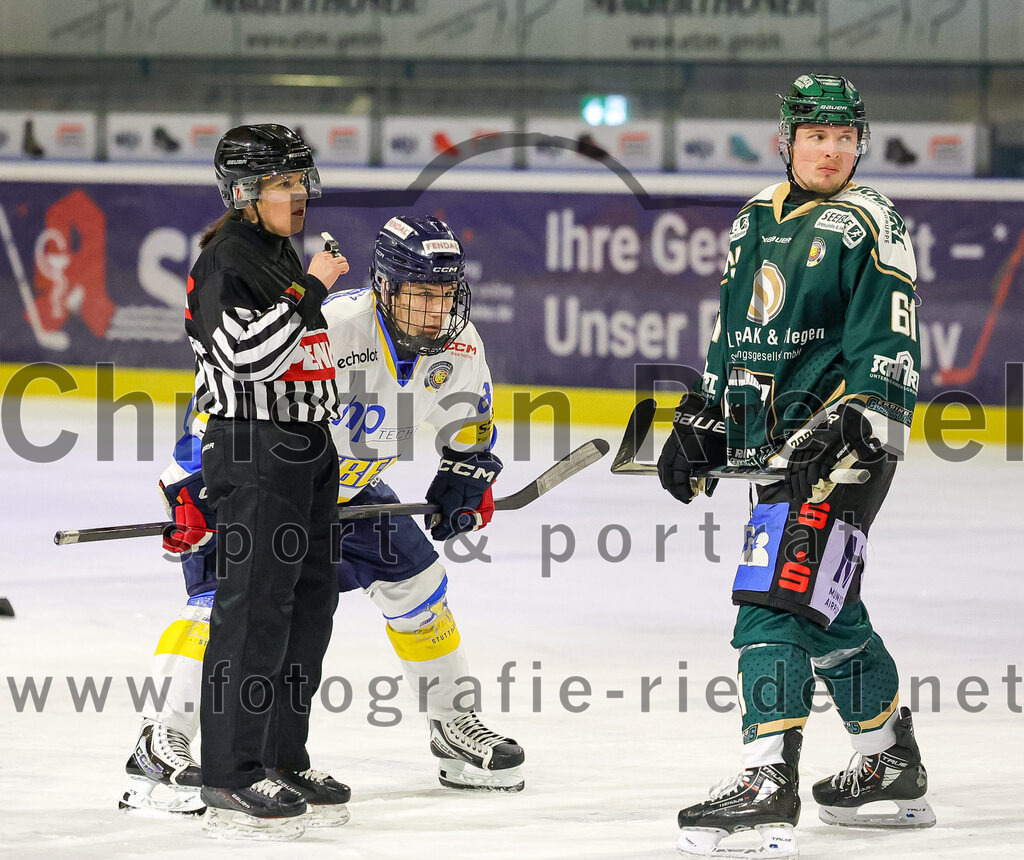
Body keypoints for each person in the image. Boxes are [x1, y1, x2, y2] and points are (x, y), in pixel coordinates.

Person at [119, 214, 524, 828]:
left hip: (349, 492)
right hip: (261, 483)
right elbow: (226, 391)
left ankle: (451, 725)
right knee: (224, 607)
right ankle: (159, 739)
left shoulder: (462, 344)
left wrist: (465, 473)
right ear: (385, 286)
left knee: (418, 584)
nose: (434, 309)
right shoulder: (332, 325)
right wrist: (193, 484)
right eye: (419, 292)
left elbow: (470, 423)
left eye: (444, 293)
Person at [657, 74, 934, 859]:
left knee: (773, 601)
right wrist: (706, 414)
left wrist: (855, 425)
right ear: (788, 141)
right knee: (825, 607)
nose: (833, 151)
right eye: (818, 136)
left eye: (845, 137)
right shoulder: (753, 219)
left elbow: (891, 339)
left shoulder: (870, 222)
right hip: (777, 446)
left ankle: (766, 780)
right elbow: (734, 332)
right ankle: (889, 761)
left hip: (847, 446)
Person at [179, 123, 350, 839]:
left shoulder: (277, 250)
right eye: (284, 182)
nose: (300, 194)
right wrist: (314, 286)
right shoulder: (226, 260)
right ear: (245, 192)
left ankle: (282, 756)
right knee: (253, 610)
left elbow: (305, 350)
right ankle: (230, 768)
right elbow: (249, 357)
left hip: (306, 448)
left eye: (302, 179)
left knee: (308, 605)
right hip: (255, 449)